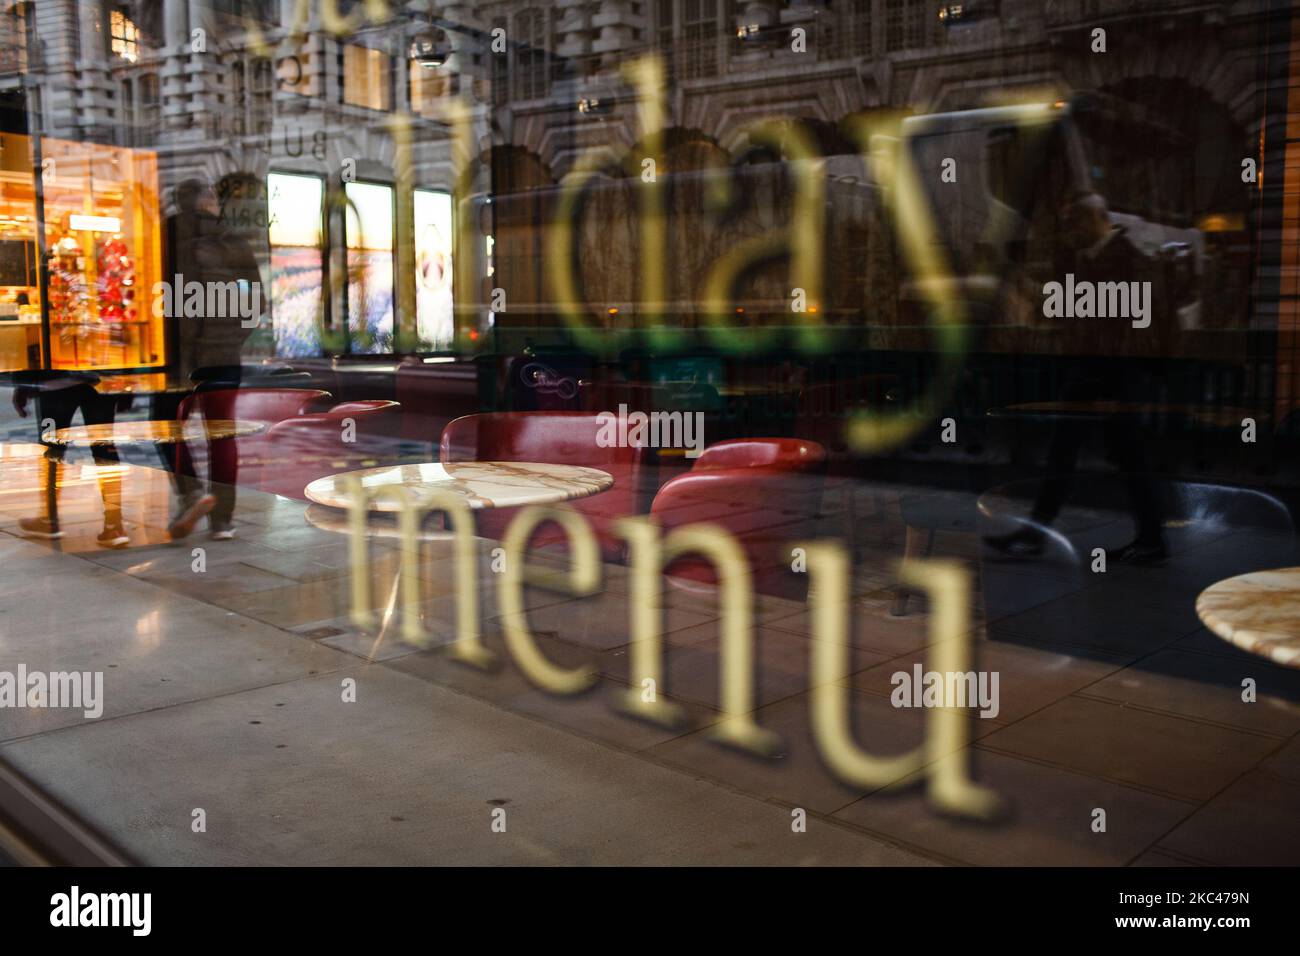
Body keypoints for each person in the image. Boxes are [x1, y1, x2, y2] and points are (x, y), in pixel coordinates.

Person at [156, 178, 264, 540]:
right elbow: (255, 303)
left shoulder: (166, 235)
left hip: (180, 359)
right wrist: (232, 339)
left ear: (178, 202)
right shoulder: (233, 239)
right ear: (210, 202)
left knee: (166, 428)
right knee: (221, 434)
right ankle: (222, 521)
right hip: (223, 357)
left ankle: (191, 495)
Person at [12, 370, 129, 548]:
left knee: (52, 448)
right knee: (104, 448)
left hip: (56, 382)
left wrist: (23, 383)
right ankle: (114, 524)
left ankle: (49, 517)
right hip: (99, 377)